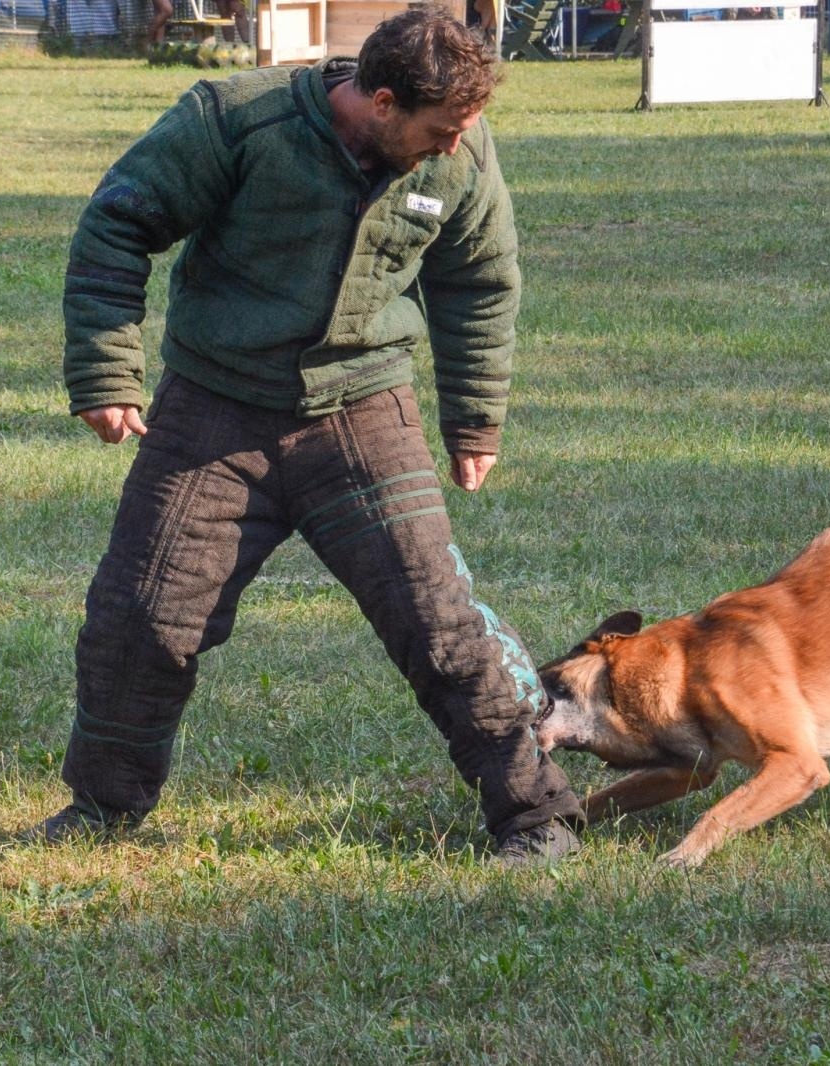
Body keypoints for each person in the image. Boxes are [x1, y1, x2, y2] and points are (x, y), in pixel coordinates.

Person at [32, 8, 585, 866]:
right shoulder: (234, 119)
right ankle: (103, 808)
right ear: (382, 100)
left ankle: (535, 815)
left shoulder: (463, 152)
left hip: (365, 414)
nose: (454, 149)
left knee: (439, 623)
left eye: (464, 132)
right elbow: (119, 221)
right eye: (438, 131)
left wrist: (474, 418)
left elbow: (480, 281)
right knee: (140, 619)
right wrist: (107, 374)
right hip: (213, 414)